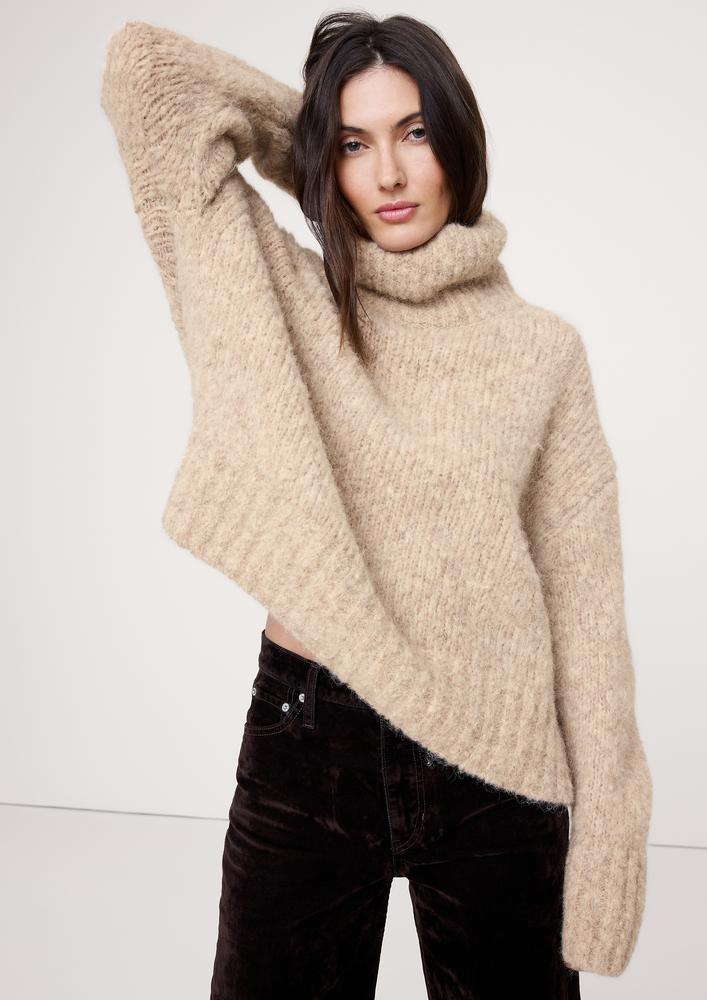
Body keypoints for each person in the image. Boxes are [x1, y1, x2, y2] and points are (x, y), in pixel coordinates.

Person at [99, 11, 653, 998]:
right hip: (310, 743)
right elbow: (147, 78)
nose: (390, 173)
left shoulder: (542, 352)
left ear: (460, 142)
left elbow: (586, 608)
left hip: (500, 760)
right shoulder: (280, 297)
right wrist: (310, 147)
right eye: (357, 145)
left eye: (416, 133)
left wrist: (612, 830)